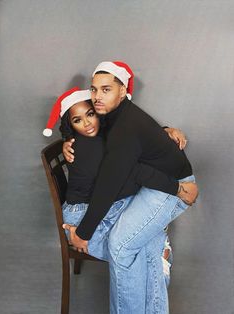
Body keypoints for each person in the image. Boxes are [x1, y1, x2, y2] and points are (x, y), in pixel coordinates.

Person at [61, 61, 198, 314]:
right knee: (143, 249)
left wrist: (83, 231)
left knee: (121, 247)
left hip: (169, 189)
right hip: (153, 183)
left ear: (123, 91)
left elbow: (111, 181)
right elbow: (125, 150)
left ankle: (156, 252)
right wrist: (67, 140)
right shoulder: (112, 117)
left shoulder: (123, 128)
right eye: (94, 90)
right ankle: (159, 253)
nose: (97, 97)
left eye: (106, 90)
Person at [42, 86, 192, 280]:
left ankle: (157, 245)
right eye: (78, 120)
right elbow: (131, 171)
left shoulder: (102, 136)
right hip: (83, 218)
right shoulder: (88, 146)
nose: (87, 123)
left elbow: (132, 141)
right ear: (70, 125)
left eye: (90, 114)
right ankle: (158, 250)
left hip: (101, 205)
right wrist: (177, 189)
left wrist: (163, 132)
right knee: (139, 247)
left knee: (148, 210)